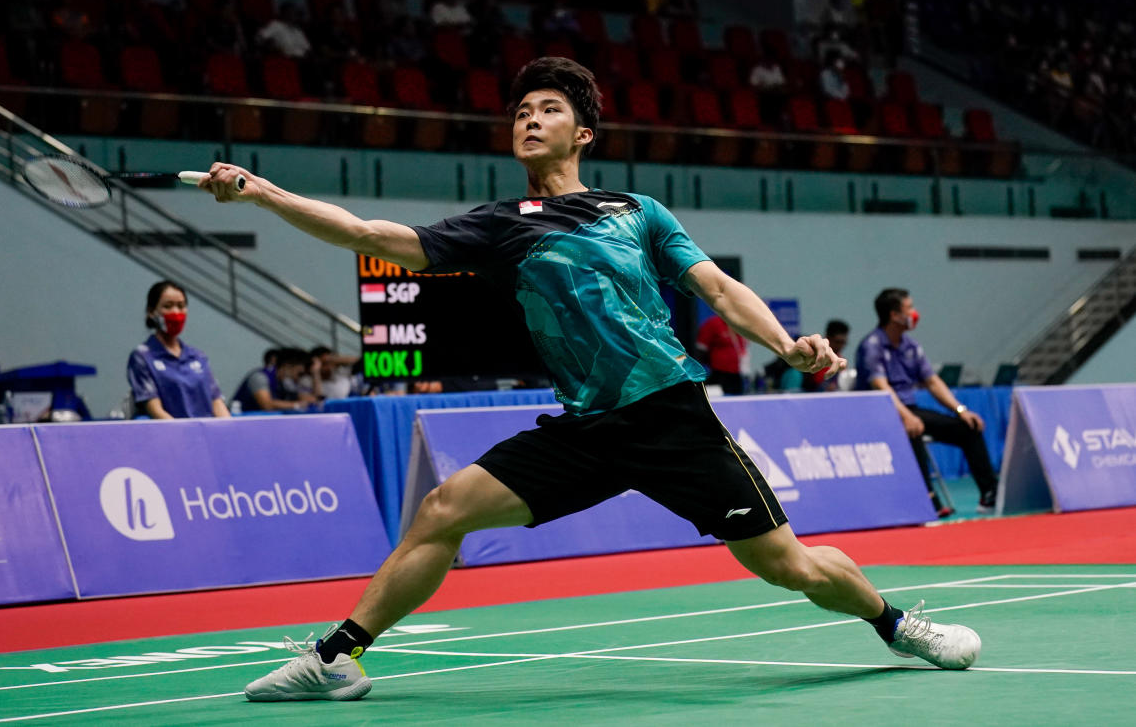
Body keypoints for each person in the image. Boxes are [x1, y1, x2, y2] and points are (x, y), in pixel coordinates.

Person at [197, 57, 981, 703]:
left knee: (791, 567)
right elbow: (376, 237)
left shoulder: (636, 210)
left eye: (545, 109)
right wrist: (264, 194)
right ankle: (339, 656)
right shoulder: (503, 225)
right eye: (519, 113)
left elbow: (715, 288)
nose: (527, 120)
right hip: (588, 428)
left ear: (584, 131)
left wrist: (786, 344)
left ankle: (897, 623)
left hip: (671, 416)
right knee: (442, 508)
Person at [855, 289, 997, 517]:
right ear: (894, 315)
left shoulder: (910, 345)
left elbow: (932, 381)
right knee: (912, 429)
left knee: (969, 427)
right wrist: (906, 417)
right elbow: (882, 387)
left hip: (910, 410)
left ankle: (990, 493)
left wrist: (961, 411)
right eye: (909, 308)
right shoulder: (872, 345)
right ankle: (928, 499)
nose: (914, 313)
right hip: (878, 413)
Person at [126, 280, 230, 420]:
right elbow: (155, 410)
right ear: (151, 312)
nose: (176, 312)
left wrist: (231, 431)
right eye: (168, 306)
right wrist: (185, 436)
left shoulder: (198, 357)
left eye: (181, 306)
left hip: (206, 437)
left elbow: (217, 403)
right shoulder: (142, 357)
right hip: (171, 438)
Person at [232, 348, 317, 413]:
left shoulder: (284, 383)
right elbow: (267, 405)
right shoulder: (259, 377)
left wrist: (316, 374)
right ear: (287, 366)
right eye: (299, 374)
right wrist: (297, 405)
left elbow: (307, 398)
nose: (299, 378)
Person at [695, 313, 747, 395]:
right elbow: (700, 350)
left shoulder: (738, 324)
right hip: (720, 374)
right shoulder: (713, 324)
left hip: (737, 375)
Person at [803, 320, 850, 392]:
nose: (841, 346)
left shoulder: (841, 359)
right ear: (827, 338)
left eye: (843, 342)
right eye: (838, 342)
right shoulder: (814, 357)